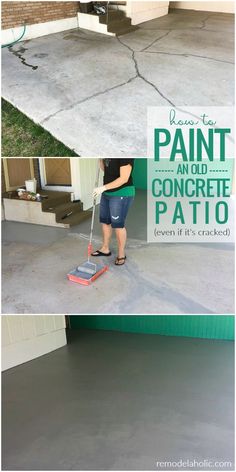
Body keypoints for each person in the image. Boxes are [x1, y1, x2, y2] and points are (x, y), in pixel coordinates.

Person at [92, 159, 135, 266]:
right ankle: (105, 248)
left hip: (122, 192)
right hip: (107, 193)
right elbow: (106, 170)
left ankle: (121, 254)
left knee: (118, 225)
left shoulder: (125, 154)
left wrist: (102, 188)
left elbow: (124, 178)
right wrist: (100, 159)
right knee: (105, 222)